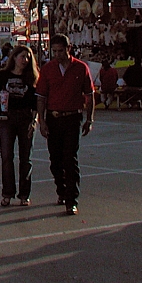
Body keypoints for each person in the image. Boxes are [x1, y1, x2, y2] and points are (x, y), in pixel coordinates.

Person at [35, 35, 94, 216]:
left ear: (69, 48)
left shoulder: (81, 68)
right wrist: (42, 121)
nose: (58, 55)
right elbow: (41, 97)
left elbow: (89, 95)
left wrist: (89, 119)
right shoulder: (48, 69)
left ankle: (71, 199)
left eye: (61, 51)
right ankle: (61, 190)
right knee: (55, 159)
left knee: (70, 158)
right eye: (55, 51)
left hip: (72, 118)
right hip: (53, 118)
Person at [0, 46, 39, 207]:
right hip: (6, 117)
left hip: (26, 117)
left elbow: (36, 103)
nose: (24, 60)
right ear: (14, 57)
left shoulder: (31, 77)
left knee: (26, 158)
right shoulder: (4, 75)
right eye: (22, 56)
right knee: (6, 157)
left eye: (28, 57)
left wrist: (35, 121)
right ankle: (7, 193)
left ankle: (24, 194)